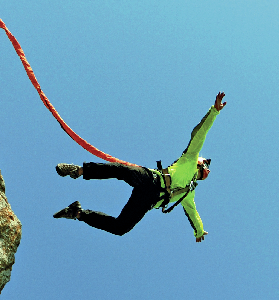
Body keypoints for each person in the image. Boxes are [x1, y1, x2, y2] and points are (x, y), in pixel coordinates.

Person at [53, 92, 227, 242]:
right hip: (151, 179)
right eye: (207, 164)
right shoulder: (190, 158)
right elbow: (200, 134)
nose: (209, 170)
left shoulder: (190, 193)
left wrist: (198, 230)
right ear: (200, 162)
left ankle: (77, 213)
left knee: (120, 228)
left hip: (147, 201)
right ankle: (79, 171)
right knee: (121, 170)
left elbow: (194, 215)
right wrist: (214, 112)